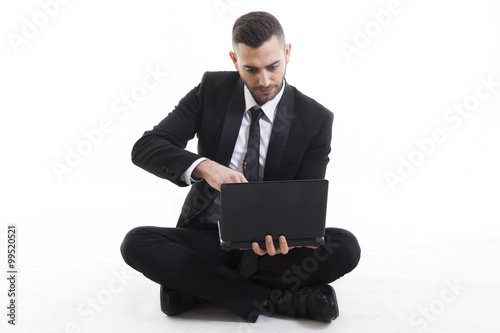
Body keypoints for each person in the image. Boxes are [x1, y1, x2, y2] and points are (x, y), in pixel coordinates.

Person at [120, 11, 360, 323]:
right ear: (235, 60)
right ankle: (278, 300)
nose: (264, 81)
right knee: (138, 242)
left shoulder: (315, 119)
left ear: (287, 54)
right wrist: (206, 167)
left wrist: (285, 237)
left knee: (345, 247)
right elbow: (147, 147)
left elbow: (305, 201)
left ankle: (197, 287)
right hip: (211, 237)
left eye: (273, 66)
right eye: (251, 69)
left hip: (275, 250)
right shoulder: (211, 91)